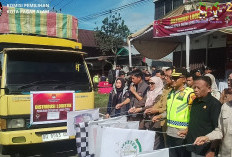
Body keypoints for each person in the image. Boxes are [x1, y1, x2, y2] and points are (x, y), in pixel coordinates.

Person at [185, 76, 222, 157]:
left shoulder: (214, 104)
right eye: (194, 87)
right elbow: (195, 121)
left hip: (205, 150)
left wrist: (212, 150)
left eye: (198, 88)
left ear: (209, 88)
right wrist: (187, 130)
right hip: (193, 146)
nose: (195, 90)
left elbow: (218, 129)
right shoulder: (195, 101)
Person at [165, 68, 195, 157]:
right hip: (170, 131)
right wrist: (160, 116)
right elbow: (169, 110)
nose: (173, 80)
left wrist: (188, 129)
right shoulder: (171, 92)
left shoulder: (190, 93)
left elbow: (194, 114)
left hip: (181, 133)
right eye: (172, 78)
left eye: (176, 78)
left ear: (184, 79)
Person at [144, 68, 173, 148]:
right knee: (166, 145)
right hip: (163, 122)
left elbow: (169, 108)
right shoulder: (166, 87)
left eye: (168, 76)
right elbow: (160, 102)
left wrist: (156, 110)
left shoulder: (175, 90)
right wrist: (153, 108)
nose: (165, 78)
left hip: (172, 123)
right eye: (165, 76)